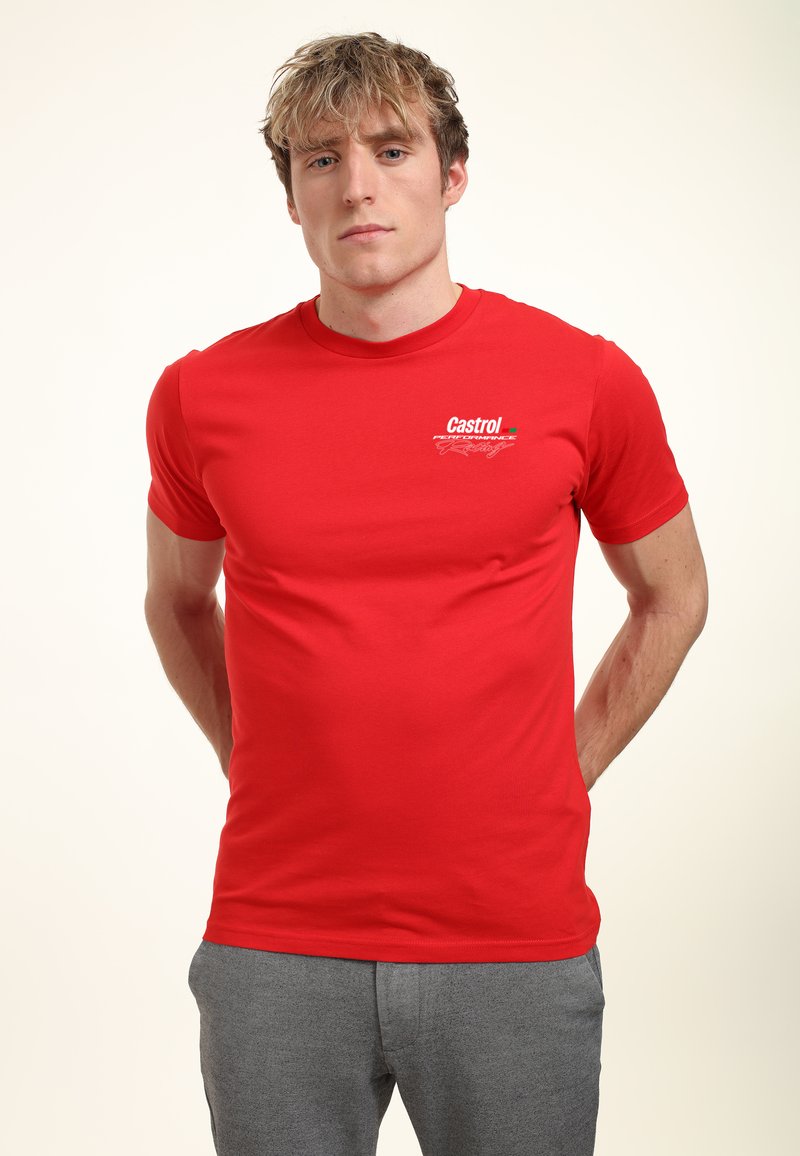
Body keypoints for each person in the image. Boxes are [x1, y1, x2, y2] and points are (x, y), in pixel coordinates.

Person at [144, 30, 708, 1156]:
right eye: (321, 159)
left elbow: (674, 593)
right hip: (276, 938)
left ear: (452, 175)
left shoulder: (582, 379)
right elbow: (175, 601)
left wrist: (563, 765)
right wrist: (248, 752)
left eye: (391, 149)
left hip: (511, 940)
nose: (356, 185)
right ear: (291, 197)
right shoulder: (202, 396)